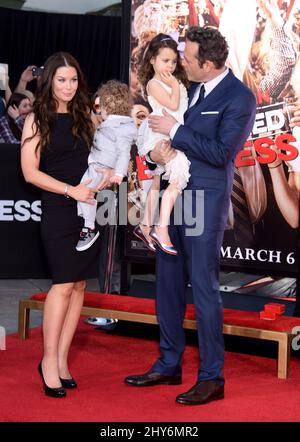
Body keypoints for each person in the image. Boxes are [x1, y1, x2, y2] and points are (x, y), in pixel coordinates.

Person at [124, 26, 256, 406]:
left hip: (204, 201)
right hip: (172, 195)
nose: (181, 60)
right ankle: (168, 363)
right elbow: (159, 137)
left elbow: (220, 153)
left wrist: (176, 131)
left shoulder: (239, 98)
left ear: (209, 64)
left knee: (203, 288)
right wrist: (154, 154)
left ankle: (212, 377)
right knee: (166, 285)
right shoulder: (188, 86)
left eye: (188, 57)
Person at [21, 52, 102, 398]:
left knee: (80, 285)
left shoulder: (87, 115)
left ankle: (63, 360)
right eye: (61, 80)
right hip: (58, 207)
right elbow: (29, 171)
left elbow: (102, 155)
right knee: (63, 284)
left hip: (89, 209)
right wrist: (71, 190)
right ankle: (48, 361)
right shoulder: (38, 117)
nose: (68, 87)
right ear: (50, 81)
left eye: (73, 80)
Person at [134, 33, 190, 255]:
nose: (170, 65)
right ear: (152, 61)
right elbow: (173, 103)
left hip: (173, 132)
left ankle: (146, 225)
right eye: (165, 61)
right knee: (177, 177)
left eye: (174, 61)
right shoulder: (154, 84)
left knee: (158, 183)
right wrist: (175, 84)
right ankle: (161, 227)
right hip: (160, 135)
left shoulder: (174, 82)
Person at [76, 80, 137, 252]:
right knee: (84, 194)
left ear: (108, 105)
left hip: (102, 169)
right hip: (97, 167)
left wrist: (118, 174)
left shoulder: (121, 126)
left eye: (100, 105)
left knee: (84, 193)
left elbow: (125, 152)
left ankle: (88, 228)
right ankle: (88, 227)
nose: (98, 109)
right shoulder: (113, 123)